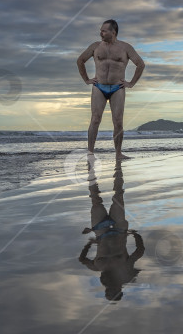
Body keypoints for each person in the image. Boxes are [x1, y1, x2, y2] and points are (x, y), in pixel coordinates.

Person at [76, 19, 145, 160]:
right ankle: (90, 153)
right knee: (95, 119)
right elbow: (80, 60)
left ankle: (118, 154)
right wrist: (87, 80)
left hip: (117, 88)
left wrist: (131, 83)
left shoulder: (125, 48)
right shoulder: (95, 46)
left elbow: (140, 64)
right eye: (101, 30)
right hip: (99, 87)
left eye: (104, 30)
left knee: (118, 121)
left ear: (113, 32)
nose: (100, 33)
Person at [79, 161, 144, 301]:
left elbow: (82, 259)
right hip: (120, 229)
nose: (111, 288)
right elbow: (139, 251)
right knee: (118, 196)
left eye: (108, 292)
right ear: (119, 289)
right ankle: (118, 167)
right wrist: (136, 234)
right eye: (114, 291)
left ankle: (91, 170)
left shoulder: (97, 267)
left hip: (101, 232)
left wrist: (89, 244)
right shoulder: (126, 267)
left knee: (95, 200)